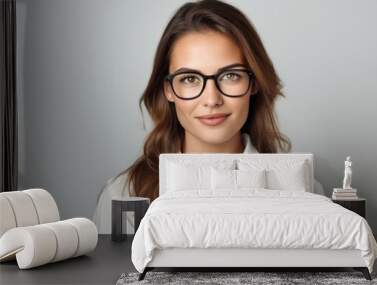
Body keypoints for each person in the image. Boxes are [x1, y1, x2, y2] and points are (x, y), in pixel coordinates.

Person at [93, 0, 325, 234]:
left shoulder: (305, 191)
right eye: (190, 79)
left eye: (230, 75)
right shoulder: (122, 195)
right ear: (168, 90)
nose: (212, 100)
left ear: (254, 83)